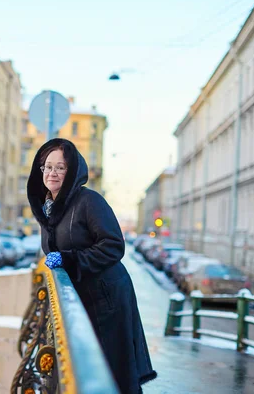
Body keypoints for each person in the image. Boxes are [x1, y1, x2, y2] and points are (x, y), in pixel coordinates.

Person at [26, 138, 157, 394]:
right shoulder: (50, 207)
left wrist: (69, 259)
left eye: (60, 167)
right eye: (47, 167)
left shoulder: (89, 201)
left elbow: (113, 245)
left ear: (72, 170)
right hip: (83, 294)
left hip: (106, 297)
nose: (52, 173)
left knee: (109, 369)